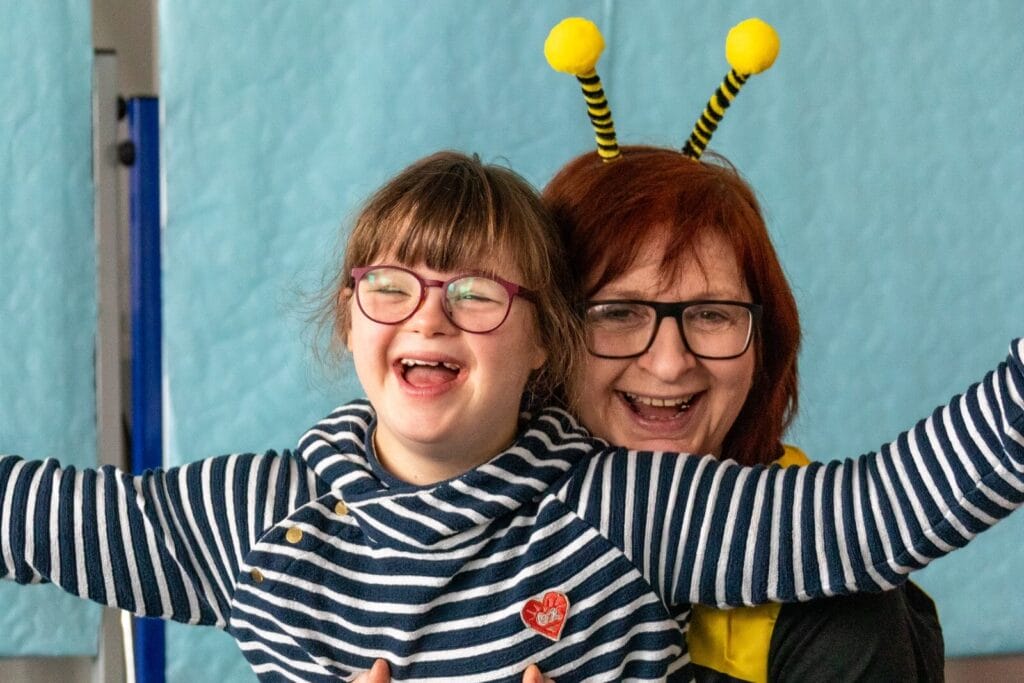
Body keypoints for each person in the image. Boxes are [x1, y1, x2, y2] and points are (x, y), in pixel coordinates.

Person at [2, 151, 1023, 682]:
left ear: (541, 340)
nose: (432, 312)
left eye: (476, 292)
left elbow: (863, 514)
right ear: (351, 318)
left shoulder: (631, 504)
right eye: (393, 285)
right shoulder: (259, 511)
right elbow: (38, 514)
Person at [541, 145, 946, 681]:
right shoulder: (446, 534)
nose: (668, 364)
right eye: (618, 312)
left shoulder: (833, 594)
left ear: (765, 343)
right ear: (540, 336)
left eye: (711, 314)